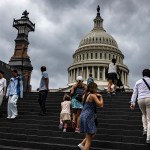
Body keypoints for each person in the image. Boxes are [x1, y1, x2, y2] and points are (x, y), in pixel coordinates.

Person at [78, 82, 103, 150]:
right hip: (88, 116)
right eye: (96, 88)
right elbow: (101, 105)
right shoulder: (92, 95)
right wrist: (101, 97)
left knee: (92, 133)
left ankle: (82, 144)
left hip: (83, 115)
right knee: (89, 139)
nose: (97, 90)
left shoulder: (85, 95)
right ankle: (83, 145)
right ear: (94, 88)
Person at [130, 69, 150, 144]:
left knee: (144, 114)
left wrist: (133, 103)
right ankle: (148, 137)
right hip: (149, 99)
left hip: (140, 99)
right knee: (149, 119)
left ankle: (145, 129)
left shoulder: (138, 82)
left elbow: (135, 93)